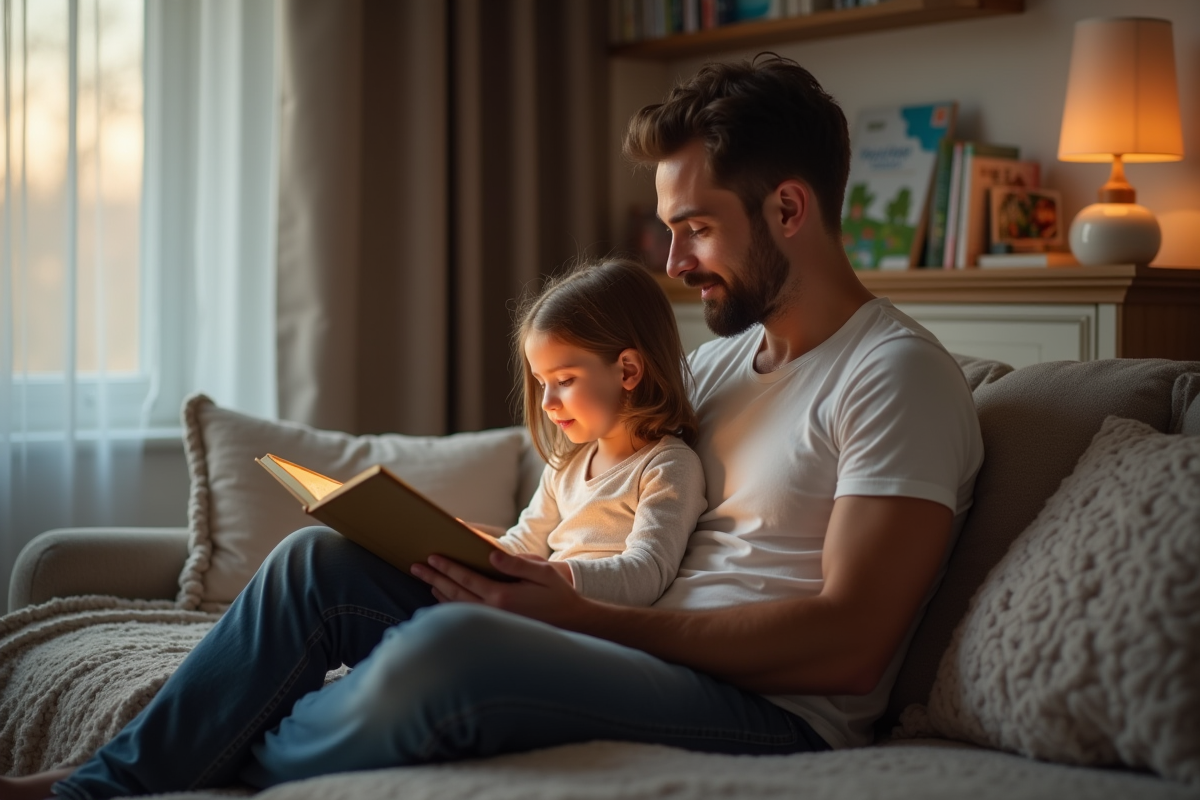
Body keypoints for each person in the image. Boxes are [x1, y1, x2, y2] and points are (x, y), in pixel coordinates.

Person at [2, 54, 982, 800]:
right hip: (631, 637)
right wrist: (491, 558)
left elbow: (851, 644)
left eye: (696, 226)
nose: (674, 260)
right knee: (318, 562)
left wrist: (580, 612)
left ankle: (197, 764)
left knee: (454, 654)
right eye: (669, 228)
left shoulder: (895, 377)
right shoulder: (724, 363)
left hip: (771, 712)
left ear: (789, 208)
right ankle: (109, 781)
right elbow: (604, 495)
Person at [484, 258, 707, 609]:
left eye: (565, 381)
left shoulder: (667, 466)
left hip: (587, 627)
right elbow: (523, 543)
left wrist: (556, 576)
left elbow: (646, 572)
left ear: (628, 370)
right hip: (538, 612)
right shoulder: (564, 465)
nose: (546, 403)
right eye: (542, 383)